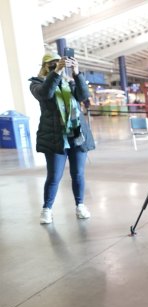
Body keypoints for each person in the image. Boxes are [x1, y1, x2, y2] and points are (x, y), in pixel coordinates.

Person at [29, 51, 95, 224]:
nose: (56, 64)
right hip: (54, 136)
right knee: (54, 176)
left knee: (78, 174)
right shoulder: (36, 84)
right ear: (44, 67)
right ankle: (47, 209)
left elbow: (83, 96)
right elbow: (46, 94)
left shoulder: (70, 83)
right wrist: (56, 72)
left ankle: (80, 205)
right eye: (51, 63)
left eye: (58, 62)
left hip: (76, 135)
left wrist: (77, 72)